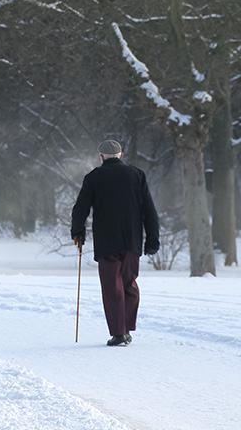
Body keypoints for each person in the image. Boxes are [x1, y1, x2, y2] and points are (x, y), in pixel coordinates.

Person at [71, 139, 160, 346]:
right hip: (132, 241)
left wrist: (78, 232)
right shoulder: (137, 175)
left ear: (101, 157)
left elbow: (80, 208)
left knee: (112, 287)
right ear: (121, 155)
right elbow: (150, 210)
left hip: (106, 242)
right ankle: (126, 329)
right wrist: (152, 239)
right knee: (130, 284)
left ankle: (119, 333)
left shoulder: (94, 177)